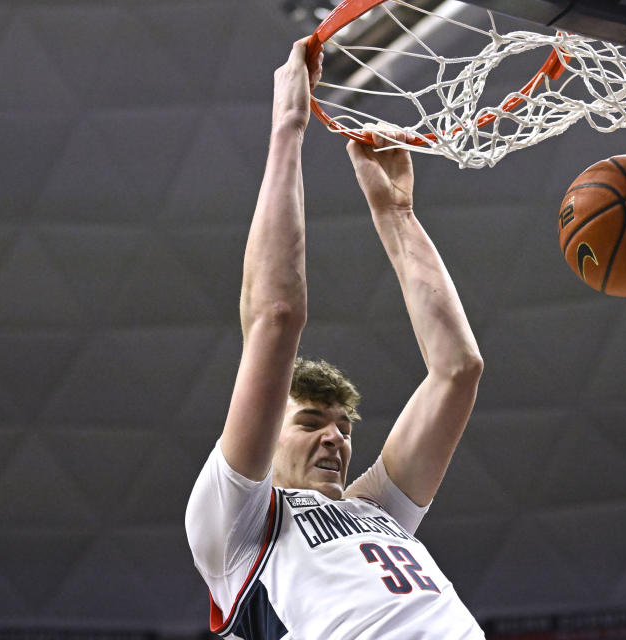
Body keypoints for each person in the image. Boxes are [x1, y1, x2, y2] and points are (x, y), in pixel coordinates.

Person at [185, 36, 485, 640]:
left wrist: (396, 216)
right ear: (266, 434)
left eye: (344, 428)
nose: (335, 438)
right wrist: (289, 126)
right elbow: (275, 315)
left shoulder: (371, 508)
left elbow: (457, 369)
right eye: (311, 422)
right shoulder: (238, 526)